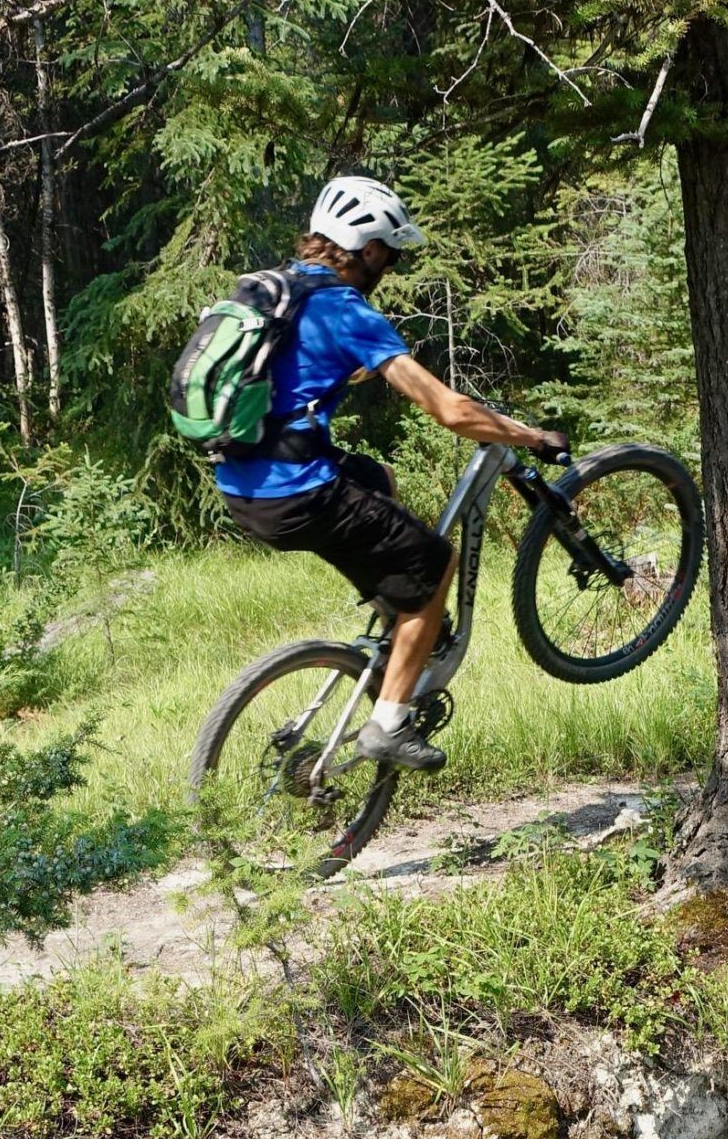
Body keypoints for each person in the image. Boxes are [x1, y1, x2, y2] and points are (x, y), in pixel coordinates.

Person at [212, 175, 567, 772]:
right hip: (298, 493)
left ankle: (395, 621)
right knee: (435, 566)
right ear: (369, 248)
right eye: (390, 254)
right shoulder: (345, 309)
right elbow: (451, 411)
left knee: (378, 481)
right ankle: (389, 723)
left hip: (241, 482)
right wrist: (530, 435)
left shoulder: (275, 290)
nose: (390, 266)